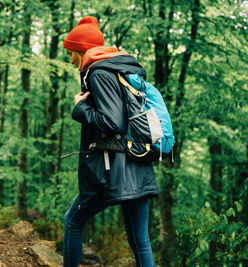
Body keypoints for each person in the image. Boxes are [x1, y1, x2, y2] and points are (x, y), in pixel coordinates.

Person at [62, 16, 159, 267]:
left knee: (73, 221)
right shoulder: (120, 69)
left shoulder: (99, 73)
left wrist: (80, 107)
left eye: (71, 53)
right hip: (137, 161)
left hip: (113, 168)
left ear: (82, 50)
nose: (71, 60)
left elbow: (112, 122)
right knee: (141, 241)